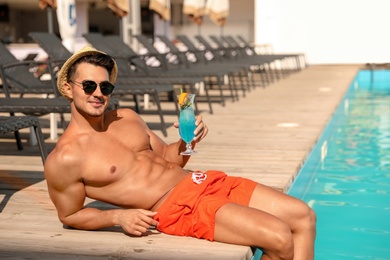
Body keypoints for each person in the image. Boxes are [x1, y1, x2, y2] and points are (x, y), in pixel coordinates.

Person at [44, 46, 316, 260]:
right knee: (279, 237)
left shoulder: (126, 117)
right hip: (177, 208)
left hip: (200, 180)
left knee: (303, 216)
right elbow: (69, 215)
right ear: (69, 88)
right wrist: (117, 217)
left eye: (106, 87)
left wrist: (188, 141)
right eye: (89, 86)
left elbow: (168, 157)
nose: (98, 93)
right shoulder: (66, 157)